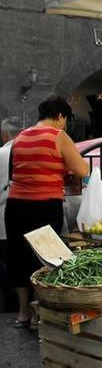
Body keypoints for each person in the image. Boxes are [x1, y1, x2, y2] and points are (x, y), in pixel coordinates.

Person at [6, 96, 89, 327]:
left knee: (18, 257)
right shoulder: (58, 136)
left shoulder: (20, 137)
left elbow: (14, 173)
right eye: (65, 120)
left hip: (16, 205)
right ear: (60, 116)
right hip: (44, 204)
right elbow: (82, 169)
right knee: (46, 258)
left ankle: (23, 313)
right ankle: (40, 313)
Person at [0, 117, 22, 312]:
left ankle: (11, 307)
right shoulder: (28, 153)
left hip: (3, 219)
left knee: (7, 265)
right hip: (27, 217)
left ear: (4, 134)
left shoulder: (2, 153)